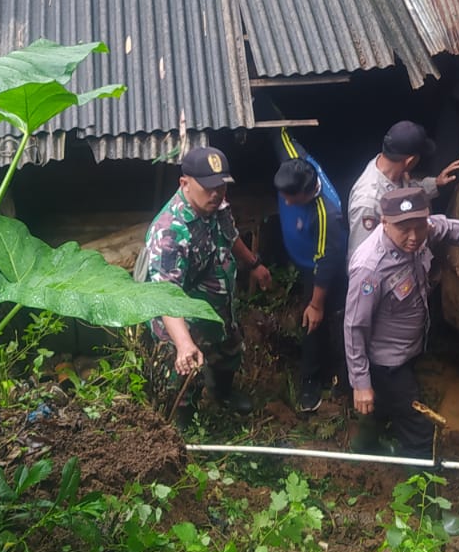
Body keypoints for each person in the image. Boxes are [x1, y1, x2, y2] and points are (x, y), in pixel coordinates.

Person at [344, 186, 459, 458]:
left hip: (410, 347)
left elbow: (454, 230)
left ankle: (365, 444)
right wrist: (360, 383)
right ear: (384, 222)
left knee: (384, 404)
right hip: (387, 363)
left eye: (419, 227)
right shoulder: (369, 269)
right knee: (419, 429)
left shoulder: (422, 232)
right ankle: (422, 496)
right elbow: (354, 327)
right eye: (403, 229)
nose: (413, 237)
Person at [136, 145, 273, 420]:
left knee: (229, 347)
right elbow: (167, 295)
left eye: (221, 186)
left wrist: (254, 264)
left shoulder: (217, 203)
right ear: (184, 183)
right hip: (179, 317)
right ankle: (182, 424)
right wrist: (184, 343)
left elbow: (230, 234)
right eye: (208, 187)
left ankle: (222, 393)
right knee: (182, 373)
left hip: (216, 305)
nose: (217, 193)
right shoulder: (169, 232)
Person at [272, 131, 348, 414]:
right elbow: (280, 135)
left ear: (307, 191)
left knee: (318, 322)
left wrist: (316, 304)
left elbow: (328, 263)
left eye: (292, 199)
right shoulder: (294, 162)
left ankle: (318, 379)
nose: (287, 203)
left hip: (321, 272)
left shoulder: (327, 214)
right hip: (302, 256)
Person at [347, 121, 459, 253]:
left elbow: (406, 192)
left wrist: (436, 183)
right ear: (410, 160)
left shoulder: (392, 169)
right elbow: (359, 257)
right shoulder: (368, 202)